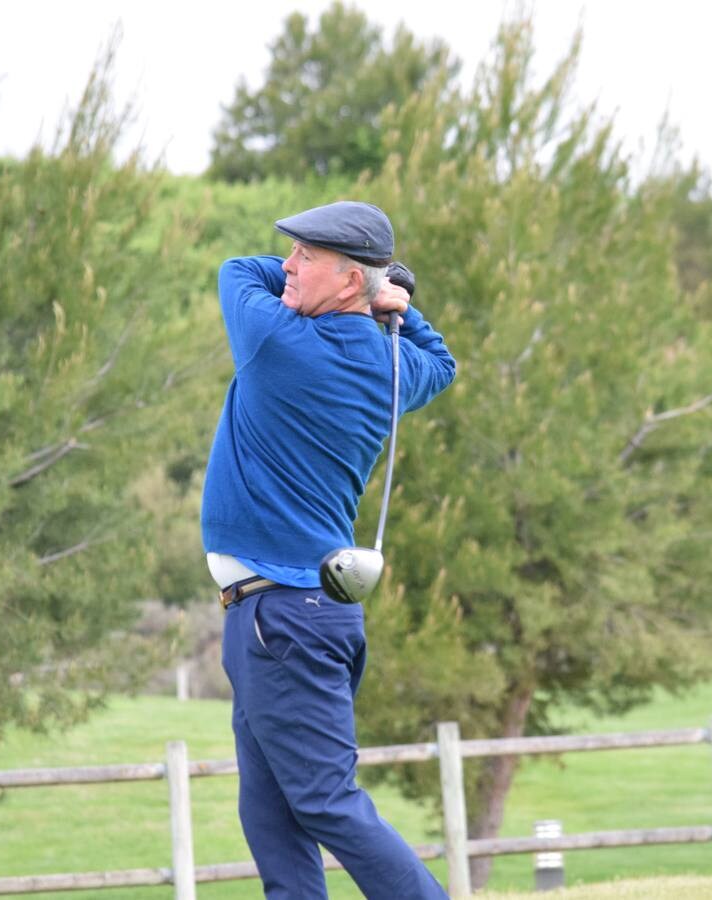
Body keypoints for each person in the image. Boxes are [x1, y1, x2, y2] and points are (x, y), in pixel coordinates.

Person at [201, 200, 456, 898]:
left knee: (322, 802)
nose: (286, 264)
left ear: (347, 282)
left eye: (305, 256)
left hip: (282, 617)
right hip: (289, 616)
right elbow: (442, 359)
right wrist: (392, 300)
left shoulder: (276, 340)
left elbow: (235, 269)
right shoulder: (393, 367)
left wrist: (381, 288)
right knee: (271, 811)